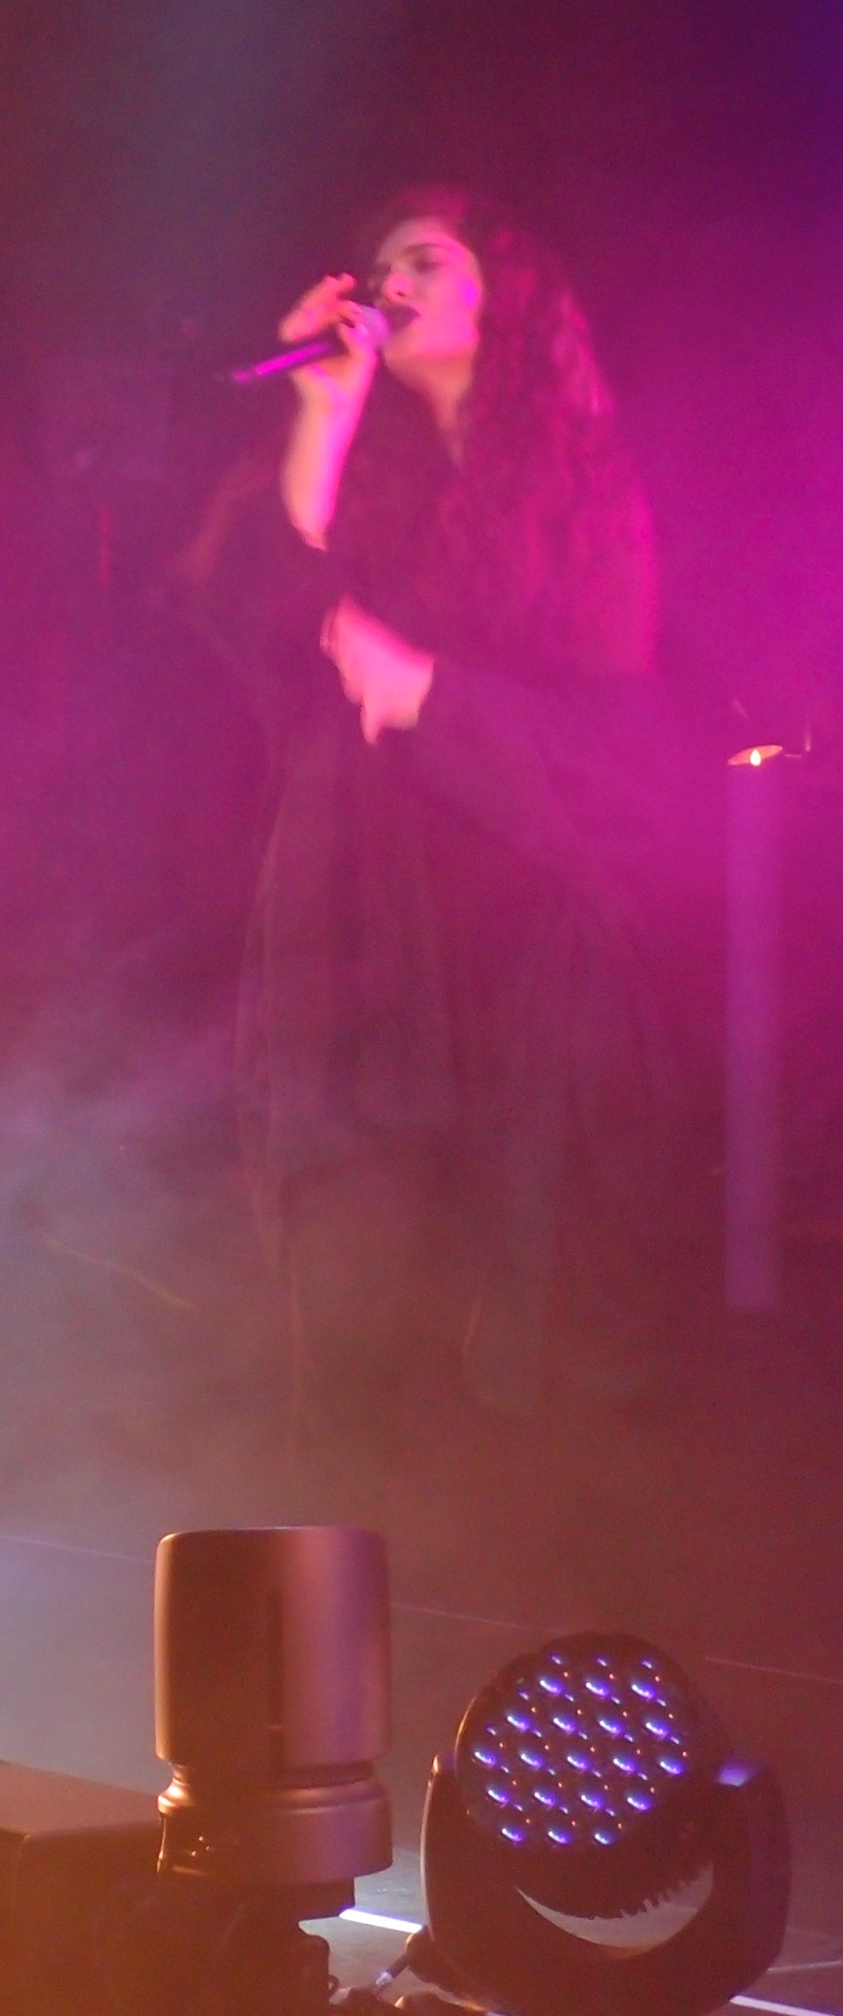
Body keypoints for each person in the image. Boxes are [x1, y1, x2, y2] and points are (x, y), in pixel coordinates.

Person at [186, 185, 680, 1427]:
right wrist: (325, 412)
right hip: (363, 920)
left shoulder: (586, 493)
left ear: (506, 297)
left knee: (532, 1297)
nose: (390, 284)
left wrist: (434, 699)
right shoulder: (353, 456)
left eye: (426, 260)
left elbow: (620, 759)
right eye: (378, 267)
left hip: (520, 925)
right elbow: (264, 622)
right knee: (367, 1275)